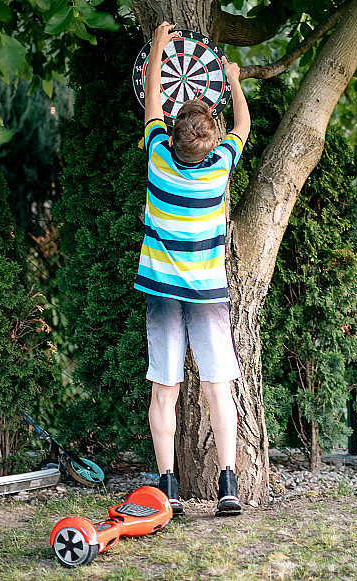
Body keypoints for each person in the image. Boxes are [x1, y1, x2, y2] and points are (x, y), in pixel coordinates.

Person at [135, 20, 251, 517]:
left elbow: (155, 100)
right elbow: (242, 126)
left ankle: (167, 488)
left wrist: (160, 48)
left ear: (173, 135)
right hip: (208, 295)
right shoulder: (222, 165)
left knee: (166, 389)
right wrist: (235, 79)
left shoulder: (158, 157)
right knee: (216, 387)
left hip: (162, 292)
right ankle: (228, 484)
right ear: (211, 141)